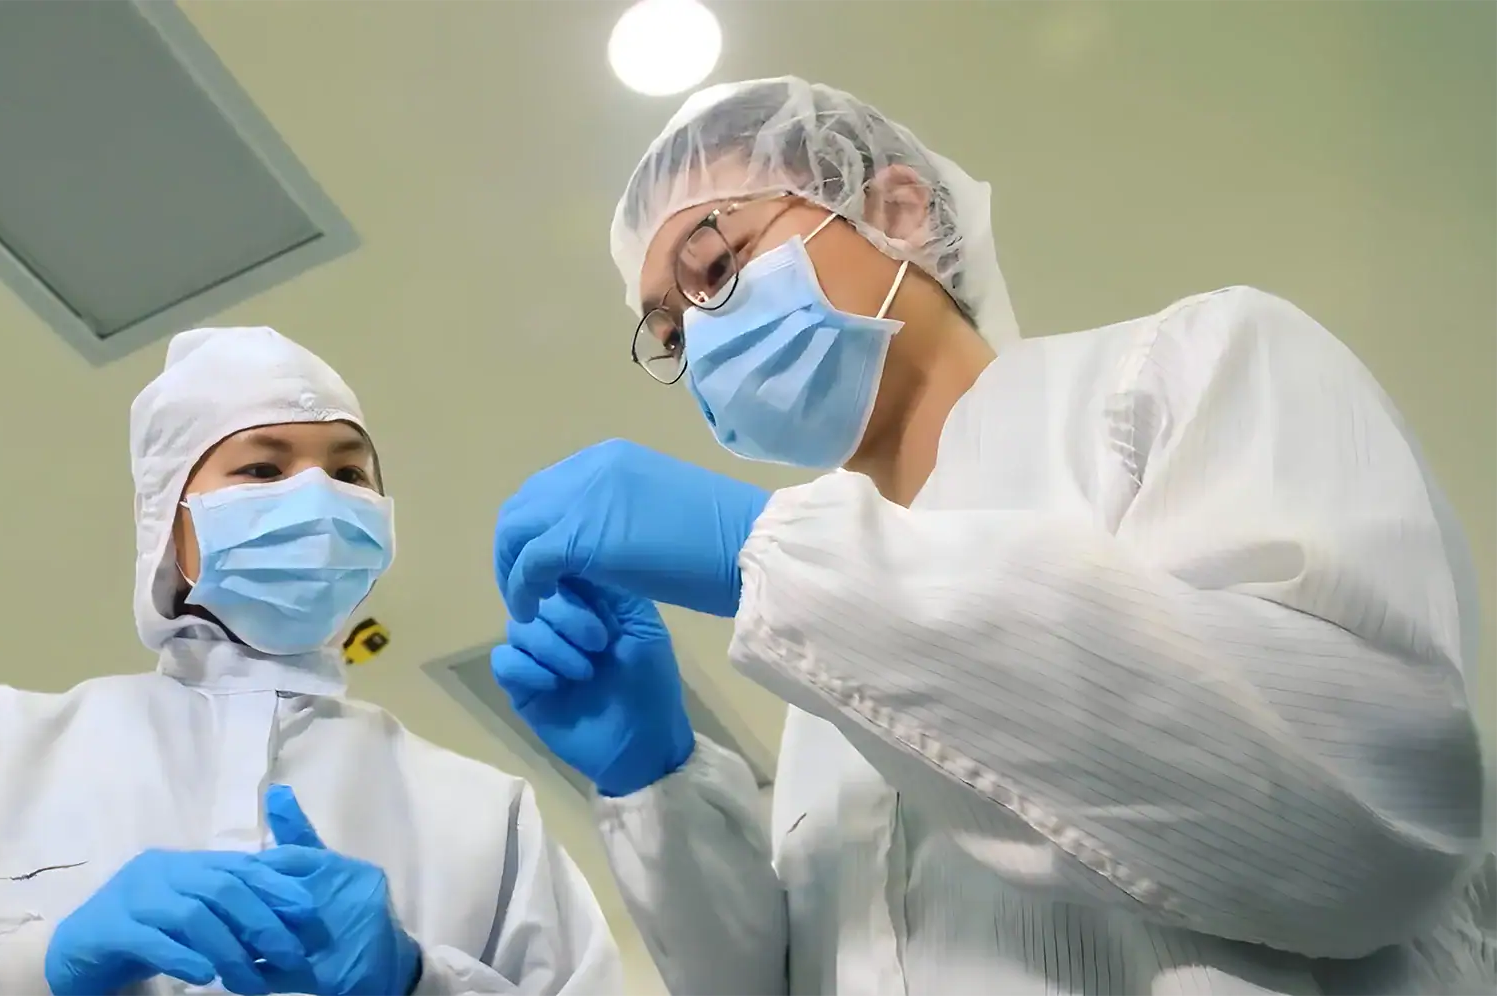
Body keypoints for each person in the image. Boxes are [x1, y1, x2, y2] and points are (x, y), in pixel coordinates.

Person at [489, 76, 1492, 995]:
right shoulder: (823, 692)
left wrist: (766, 553)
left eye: (715, 266)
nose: (701, 339)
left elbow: (1366, 830)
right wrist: (655, 786)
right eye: (671, 332)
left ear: (895, 211)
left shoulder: (1188, 369)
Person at [0, 326, 621, 996]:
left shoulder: (484, 813)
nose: (317, 498)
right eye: (262, 468)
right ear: (170, 517)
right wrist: (34, 971)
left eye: (348, 472)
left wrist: (415, 983)